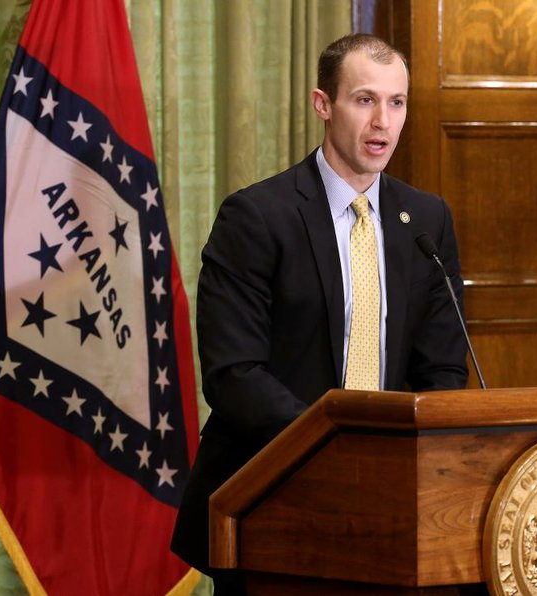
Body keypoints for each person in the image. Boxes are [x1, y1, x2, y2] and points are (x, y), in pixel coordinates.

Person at [171, 33, 468, 595]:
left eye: (397, 102)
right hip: (273, 500)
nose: (383, 121)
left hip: (392, 505)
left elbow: (443, 369)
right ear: (322, 104)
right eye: (364, 100)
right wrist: (334, 449)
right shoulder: (257, 217)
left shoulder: (426, 220)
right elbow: (234, 376)